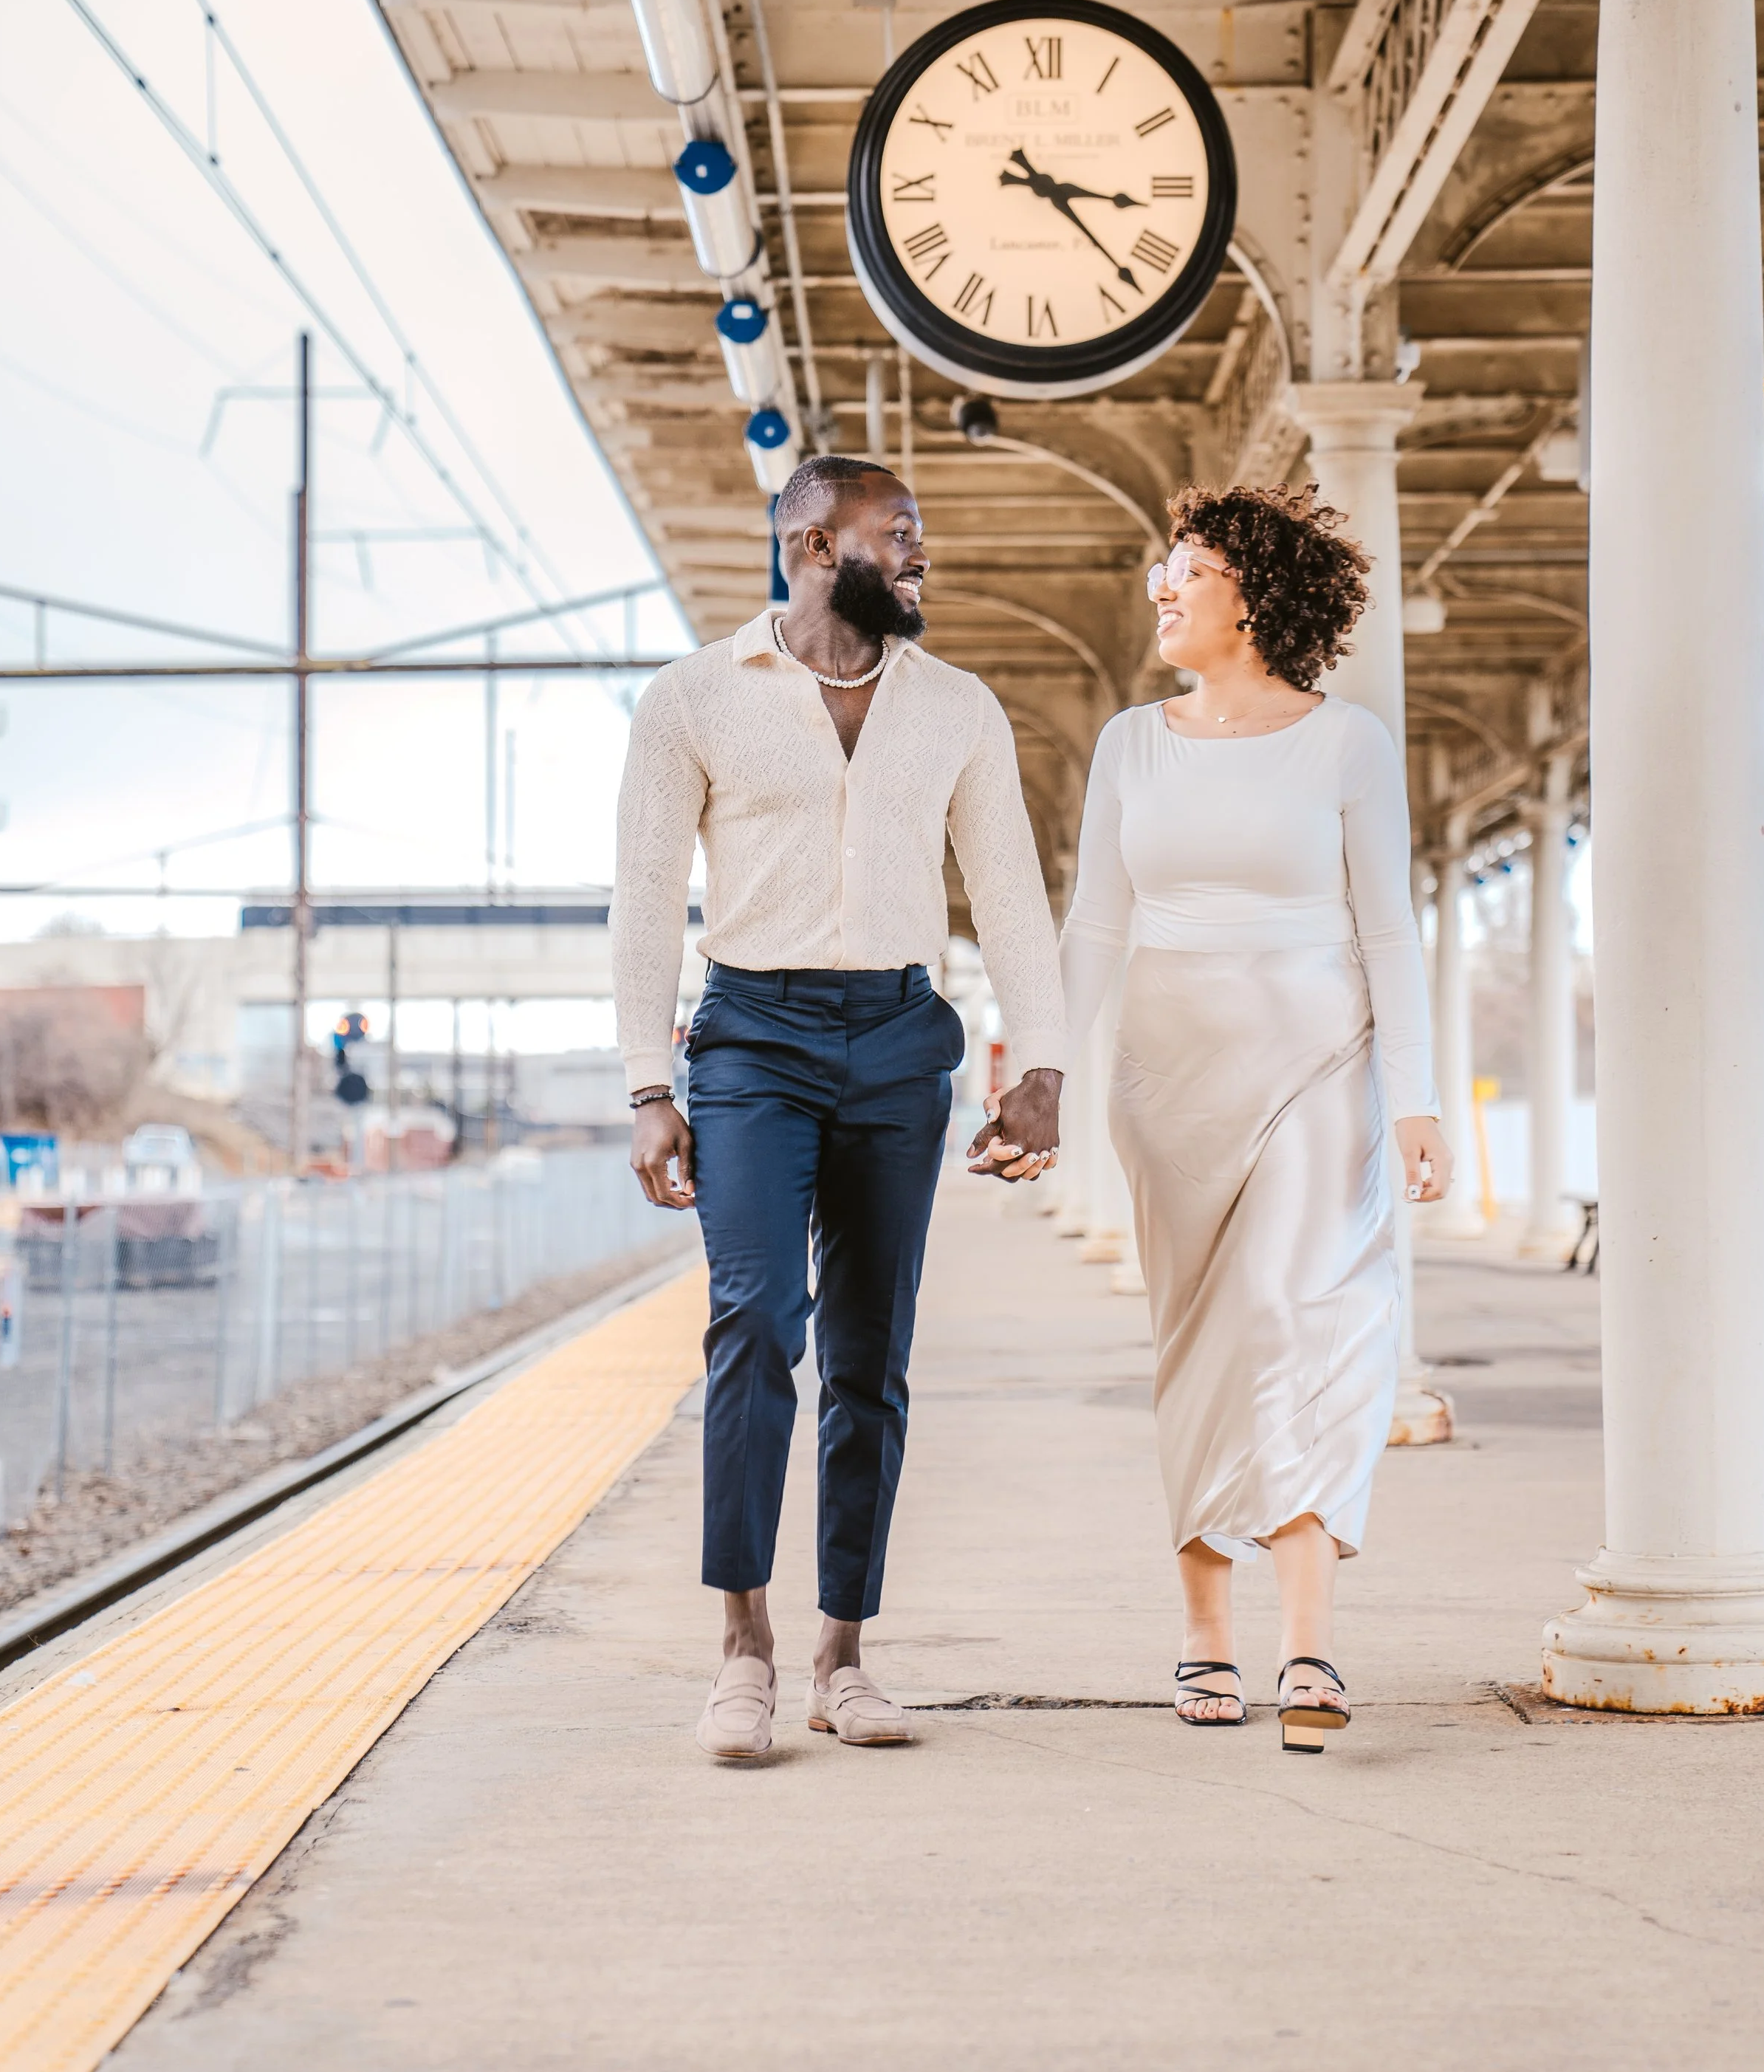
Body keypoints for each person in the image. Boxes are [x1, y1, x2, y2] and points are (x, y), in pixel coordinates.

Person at [613, 454, 1068, 1764]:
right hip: (751, 1039)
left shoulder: (958, 707)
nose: (923, 556)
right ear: (814, 545)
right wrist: (652, 1084)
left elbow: (1011, 888)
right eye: (901, 534)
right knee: (757, 1320)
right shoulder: (693, 697)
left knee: (871, 1352)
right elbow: (646, 900)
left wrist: (1035, 1065)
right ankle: (743, 1647)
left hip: (896, 1042)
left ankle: (843, 1651)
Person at [1060, 484, 1452, 1754]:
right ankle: (1204, 1631)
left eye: (1186, 570)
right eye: (1161, 574)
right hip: (1168, 1076)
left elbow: (1387, 925)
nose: (1162, 590)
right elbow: (1097, 926)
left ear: (1254, 591)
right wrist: (1049, 1077)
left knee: (1302, 1314)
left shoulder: (1347, 742)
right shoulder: (1131, 742)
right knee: (1200, 1341)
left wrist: (1418, 1098)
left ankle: (1310, 1642)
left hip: (1318, 1063)